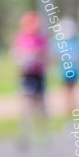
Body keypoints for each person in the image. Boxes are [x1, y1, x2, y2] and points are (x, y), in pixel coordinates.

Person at [12, 11, 50, 149]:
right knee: (26, 106)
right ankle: (25, 135)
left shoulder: (41, 38)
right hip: (26, 76)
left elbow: (46, 58)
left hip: (38, 75)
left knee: (41, 107)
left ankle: (42, 135)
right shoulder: (20, 38)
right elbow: (17, 57)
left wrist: (38, 57)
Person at [54, 20, 79, 121]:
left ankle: (74, 117)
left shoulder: (77, 41)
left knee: (72, 95)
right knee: (67, 95)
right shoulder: (60, 42)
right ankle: (70, 117)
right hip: (64, 72)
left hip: (74, 71)